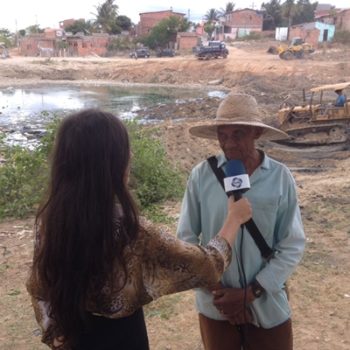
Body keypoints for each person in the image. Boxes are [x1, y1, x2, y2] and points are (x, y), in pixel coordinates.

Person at [26, 109, 252, 350]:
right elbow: (207, 266)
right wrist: (234, 219)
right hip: (123, 339)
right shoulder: (132, 232)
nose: (131, 156)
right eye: (125, 151)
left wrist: (54, 334)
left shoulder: (50, 221)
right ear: (111, 163)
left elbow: (39, 287)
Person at [177, 93, 305, 350]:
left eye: (238, 134)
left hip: (267, 304)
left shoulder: (280, 177)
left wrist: (251, 293)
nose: (229, 144)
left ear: (256, 133)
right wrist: (220, 294)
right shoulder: (201, 176)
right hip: (215, 306)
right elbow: (186, 241)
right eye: (223, 135)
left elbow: (292, 244)